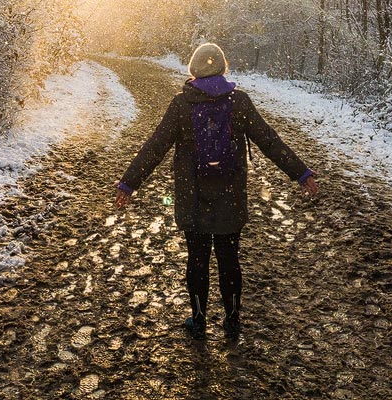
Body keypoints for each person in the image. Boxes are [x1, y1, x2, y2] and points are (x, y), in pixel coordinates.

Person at [113, 42, 319, 341]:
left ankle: (198, 320)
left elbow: (155, 147)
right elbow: (269, 141)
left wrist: (128, 183)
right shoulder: (240, 103)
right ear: (224, 68)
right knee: (228, 258)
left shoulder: (182, 105)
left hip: (192, 196)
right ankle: (232, 320)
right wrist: (301, 174)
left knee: (197, 259)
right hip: (230, 196)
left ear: (193, 71)